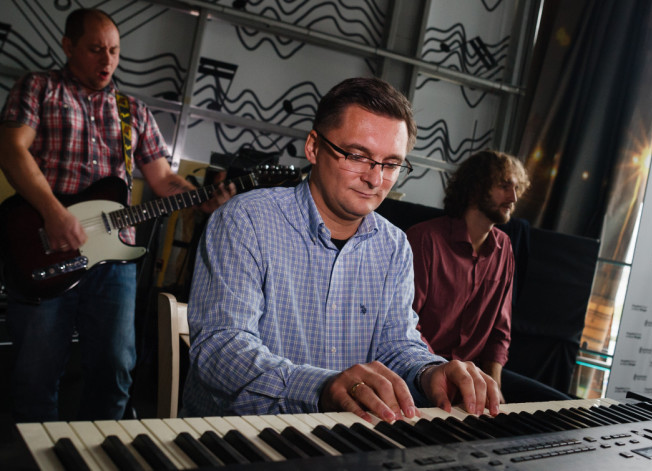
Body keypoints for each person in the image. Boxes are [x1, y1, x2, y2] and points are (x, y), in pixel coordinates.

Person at [183, 77, 502, 423]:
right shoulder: (246, 220)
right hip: (239, 434)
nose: (375, 179)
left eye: (391, 164)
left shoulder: (394, 246)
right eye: (357, 156)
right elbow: (222, 349)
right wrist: (321, 387)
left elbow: (396, 345)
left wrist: (430, 372)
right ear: (313, 148)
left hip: (345, 437)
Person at [0, 8, 234, 422]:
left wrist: (201, 198)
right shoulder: (39, 87)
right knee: (35, 375)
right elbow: (10, 149)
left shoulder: (132, 111)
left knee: (115, 371)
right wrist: (54, 213)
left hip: (113, 261)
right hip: (46, 244)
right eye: (95, 49)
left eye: (113, 51)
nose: (107, 60)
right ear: (68, 46)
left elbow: (162, 179)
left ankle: (100, 451)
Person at [407, 150, 571, 403]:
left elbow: (499, 332)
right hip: (422, 372)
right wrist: (438, 373)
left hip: (474, 375)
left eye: (516, 188)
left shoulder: (504, 248)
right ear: (475, 188)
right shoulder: (424, 239)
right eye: (504, 186)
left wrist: (495, 390)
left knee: (562, 406)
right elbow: (406, 324)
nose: (513, 197)